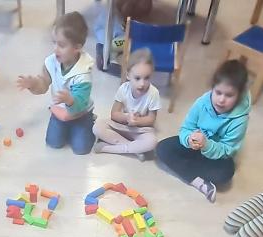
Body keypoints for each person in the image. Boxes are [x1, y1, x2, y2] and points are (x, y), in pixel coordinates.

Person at [155, 59, 250, 201]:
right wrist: (189, 139)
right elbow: (186, 128)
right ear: (212, 88)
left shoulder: (240, 119)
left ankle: (187, 170)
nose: (221, 100)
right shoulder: (202, 103)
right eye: (218, 92)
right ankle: (197, 181)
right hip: (194, 147)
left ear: (239, 96)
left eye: (229, 95)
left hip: (216, 154)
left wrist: (207, 145)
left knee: (226, 174)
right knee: (162, 148)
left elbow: (228, 150)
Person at [17, 12, 95, 155]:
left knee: (81, 149)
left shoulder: (82, 73)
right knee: (53, 142)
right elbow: (43, 84)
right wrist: (33, 83)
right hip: (60, 111)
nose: (55, 48)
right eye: (54, 42)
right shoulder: (52, 62)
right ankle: (71, 130)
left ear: (77, 47)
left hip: (80, 113)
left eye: (62, 45)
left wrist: (69, 99)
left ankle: (89, 122)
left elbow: (80, 102)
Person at [92, 48, 160, 160]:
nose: (142, 84)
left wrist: (137, 121)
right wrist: (127, 118)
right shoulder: (124, 89)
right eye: (137, 78)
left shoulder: (153, 93)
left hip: (141, 130)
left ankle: (108, 148)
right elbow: (114, 114)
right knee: (97, 127)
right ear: (128, 75)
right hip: (122, 125)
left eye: (147, 78)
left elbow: (151, 119)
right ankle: (135, 149)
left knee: (152, 142)